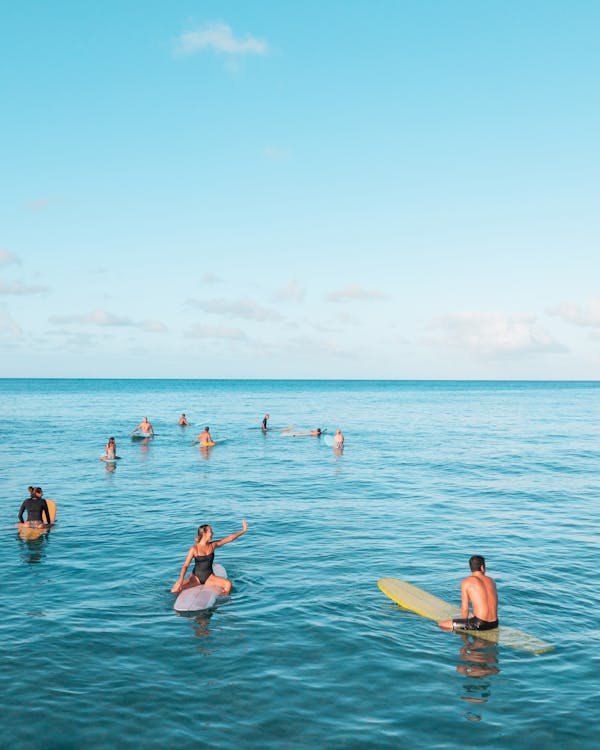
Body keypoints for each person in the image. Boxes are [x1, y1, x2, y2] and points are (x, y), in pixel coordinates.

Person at [171, 520, 248, 594]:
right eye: (210, 531)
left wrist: (243, 531)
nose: (212, 533)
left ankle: (221, 600)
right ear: (204, 533)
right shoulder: (194, 549)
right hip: (196, 578)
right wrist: (181, 580)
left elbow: (229, 539)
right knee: (175, 589)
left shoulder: (212, 545)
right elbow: (185, 565)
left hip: (209, 577)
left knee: (228, 584)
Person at [438, 555, 498, 632]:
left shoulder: (467, 582)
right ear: (483, 567)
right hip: (495, 623)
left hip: (479, 624)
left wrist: (465, 624)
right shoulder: (491, 581)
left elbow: (465, 608)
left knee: (441, 624)